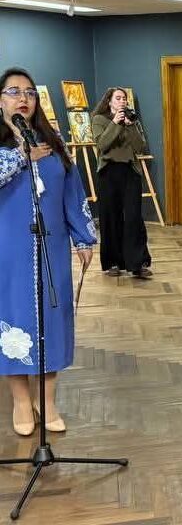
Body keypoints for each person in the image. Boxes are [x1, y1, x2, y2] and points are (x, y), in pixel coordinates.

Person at [0, 67, 96, 435]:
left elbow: (73, 190)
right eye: (13, 91)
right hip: (8, 252)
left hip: (51, 248)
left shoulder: (52, 141)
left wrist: (83, 237)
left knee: (52, 319)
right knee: (14, 320)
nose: (22, 98)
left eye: (29, 92)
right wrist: (22, 157)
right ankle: (21, 401)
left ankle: (48, 400)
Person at [92, 88, 152, 279]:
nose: (122, 101)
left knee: (134, 217)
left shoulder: (132, 119)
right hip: (109, 173)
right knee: (111, 217)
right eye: (118, 98)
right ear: (109, 101)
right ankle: (113, 262)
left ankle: (137, 263)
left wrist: (130, 126)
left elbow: (140, 147)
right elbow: (102, 145)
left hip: (129, 172)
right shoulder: (99, 119)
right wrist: (116, 123)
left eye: (124, 98)